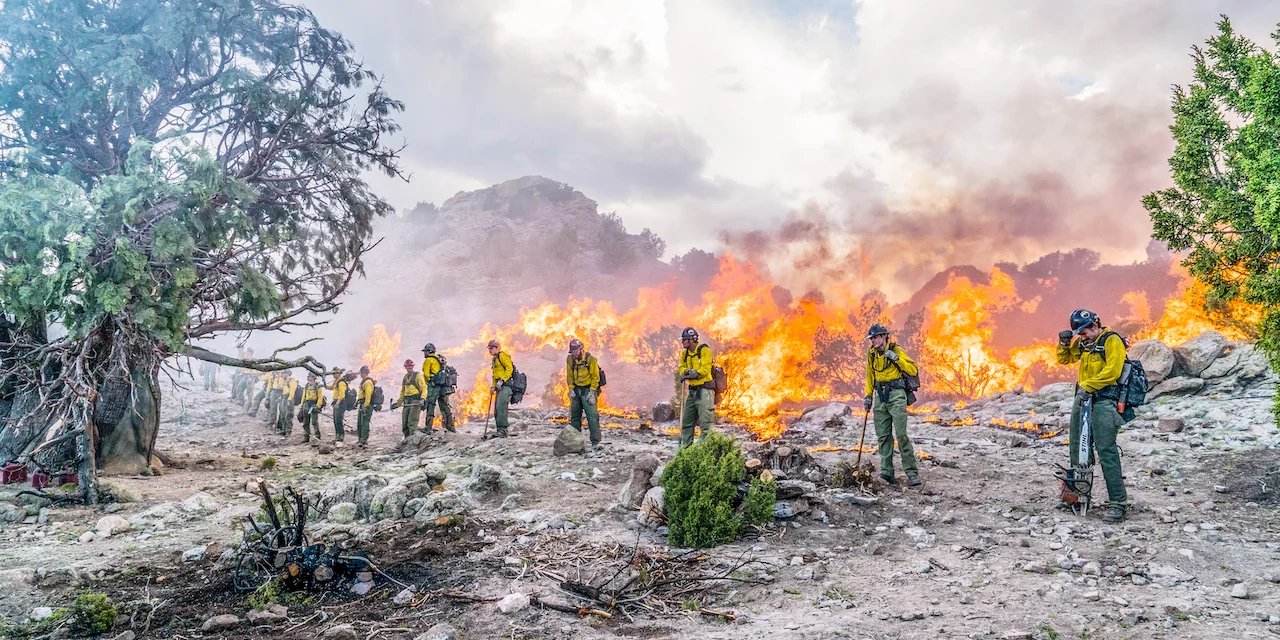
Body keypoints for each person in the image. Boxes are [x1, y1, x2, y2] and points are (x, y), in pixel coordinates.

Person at [1056, 308, 1129, 523]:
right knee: (1077, 448)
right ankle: (1078, 497)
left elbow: (1113, 372)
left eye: (1084, 331)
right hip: (1083, 398)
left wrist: (1088, 386)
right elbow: (1065, 359)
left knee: (1106, 450)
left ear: (1095, 325)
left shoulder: (1111, 340)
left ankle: (1118, 503)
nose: (1082, 335)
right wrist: (1063, 344)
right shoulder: (1084, 344)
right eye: (1079, 333)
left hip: (1104, 401)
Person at [863, 323, 922, 487]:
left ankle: (912, 473)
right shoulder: (872, 354)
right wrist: (868, 396)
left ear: (883, 336)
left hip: (896, 395)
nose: (873, 341)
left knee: (901, 435)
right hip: (880, 396)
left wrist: (896, 359)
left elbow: (912, 369)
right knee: (883, 436)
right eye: (871, 338)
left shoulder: (896, 350)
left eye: (875, 337)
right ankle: (886, 472)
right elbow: (869, 375)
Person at [676, 327, 714, 448]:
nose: (683, 342)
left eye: (685, 340)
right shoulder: (685, 353)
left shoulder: (704, 350)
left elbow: (705, 369)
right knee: (687, 422)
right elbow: (681, 367)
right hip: (692, 391)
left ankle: (704, 451)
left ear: (692, 339)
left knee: (705, 423)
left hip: (705, 391)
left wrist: (695, 373)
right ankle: (685, 450)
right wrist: (687, 371)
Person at [566, 338, 602, 453]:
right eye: (572, 352)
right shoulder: (570, 359)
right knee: (575, 417)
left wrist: (592, 392)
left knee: (592, 417)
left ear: (581, 349)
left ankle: (595, 442)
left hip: (588, 389)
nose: (574, 354)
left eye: (576, 351)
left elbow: (596, 377)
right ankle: (575, 442)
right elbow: (569, 375)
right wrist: (571, 388)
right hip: (576, 389)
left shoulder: (591, 359)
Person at [421, 344, 455, 433]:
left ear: (429, 351)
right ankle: (451, 427)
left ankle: (428, 428)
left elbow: (426, 374)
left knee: (430, 405)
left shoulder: (428, 360)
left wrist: (428, 383)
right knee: (444, 406)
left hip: (433, 386)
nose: (424, 353)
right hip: (443, 386)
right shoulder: (440, 359)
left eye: (425, 351)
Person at [391, 359, 427, 439]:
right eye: (407, 366)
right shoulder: (405, 378)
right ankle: (407, 439)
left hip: (416, 402)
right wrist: (398, 403)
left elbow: (424, 388)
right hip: (407, 402)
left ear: (413, 366)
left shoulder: (417, 376)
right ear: (405, 367)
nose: (409, 368)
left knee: (412, 422)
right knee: (405, 423)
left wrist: (422, 399)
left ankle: (413, 441)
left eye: (410, 366)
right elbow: (403, 392)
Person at [488, 339, 514, 438]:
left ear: (497, 348)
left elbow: (509, 368)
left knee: (501, 407)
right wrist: (493, 386)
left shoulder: (502, 355)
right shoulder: (494, 359)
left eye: (492, 348)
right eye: (489, 348)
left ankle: (503, 431)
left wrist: (502, 380)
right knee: (497, 409)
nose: (490, 350)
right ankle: (499, 429)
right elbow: (495, 375)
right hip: (499, 386)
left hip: (506, 386)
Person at [299, 373, 327, 444]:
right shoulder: (306, 386)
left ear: (314, 378)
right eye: (308, 377)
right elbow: (303, 396)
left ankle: (317, 436)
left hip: (314, 404)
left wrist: (317, 406)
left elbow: (320, 397)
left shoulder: (318, 386)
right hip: (306, 404)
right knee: (305, 422)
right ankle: (306, 437)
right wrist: (301, 406)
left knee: (314, 422)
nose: (309, 378)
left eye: (311, 377)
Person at [327, 369, 350, 444]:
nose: (333, 375)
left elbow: (342, 394)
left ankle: (341, 437)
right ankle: (337, 436)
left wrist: (337, 403)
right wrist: (324, 385)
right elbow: (331, 388)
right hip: (336, 402)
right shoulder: (336, 381)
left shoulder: (341, 382)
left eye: (335, 373)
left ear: (339, 373)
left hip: (340, 403)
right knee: (335, 420)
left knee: (338, 420)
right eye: (333, 373)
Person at [355, 365, 375, 448]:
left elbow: (368, 395)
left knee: (365, 423)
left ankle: (364, 440)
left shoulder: (368, 382)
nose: (361, 374)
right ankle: (360, 439)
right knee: (360, 423)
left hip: (366, 405)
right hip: (362, 404)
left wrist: (366, 406)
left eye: (362, 372)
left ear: (364, 373)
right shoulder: (363, 381)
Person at [277, 371, 299, 436]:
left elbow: (292, 392)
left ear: (287, 373)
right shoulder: (285, 381)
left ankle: (288, 431)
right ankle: (284, 429)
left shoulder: (292, 381)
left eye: (283, 373)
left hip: (289, 399)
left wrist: (289, 400)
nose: (282, 374)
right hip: (284, 398)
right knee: (282, 414)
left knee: (288, 415)